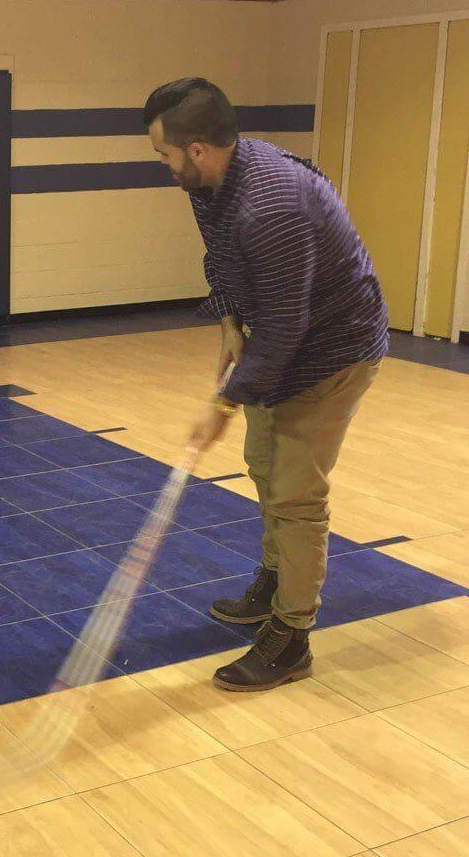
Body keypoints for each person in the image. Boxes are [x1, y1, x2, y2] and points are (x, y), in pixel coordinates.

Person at [143, 78, 389, 692]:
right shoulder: (212, 185)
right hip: (286, 340)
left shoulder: (269, 203)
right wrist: (228, 323)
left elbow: (286, 323)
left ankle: (292, 637)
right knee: (262, 463)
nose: (164, 166)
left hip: (335, 349)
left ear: (198, 149)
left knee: (296, 492)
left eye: (164, 154)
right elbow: (221, 260)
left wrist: (223, 401)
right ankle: (277, 579)